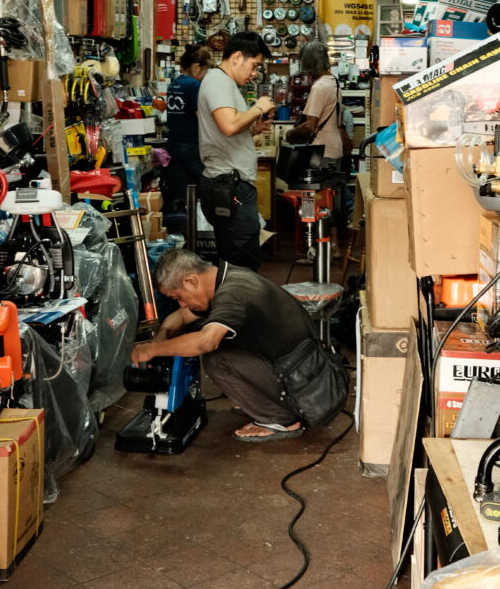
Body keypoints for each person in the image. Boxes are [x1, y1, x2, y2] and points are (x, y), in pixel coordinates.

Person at [130, 247, 316, 442]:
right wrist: (162, 336)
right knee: (216, 340)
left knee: (217, 358)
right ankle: (263, 400)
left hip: (304, 383)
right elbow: (180, 317)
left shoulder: (232, 293)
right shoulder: (225, 277)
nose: (182, 305)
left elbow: (206, 342)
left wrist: (150, 350)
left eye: (178, 297)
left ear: (191, 281)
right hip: (299, 368)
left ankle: (282, 420)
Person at [197, 31, 275, 271]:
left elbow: (227, 132)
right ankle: (238, 308)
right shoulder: (218, 81)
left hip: (232, 182)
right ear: (238, 57)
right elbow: (229, 126)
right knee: (242, 262)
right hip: (228, 183)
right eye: (254, 66)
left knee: (239, 255)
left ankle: (237, 306)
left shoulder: (224, 82)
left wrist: (253, 129)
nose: (254, 74)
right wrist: (257, 108)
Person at [286, 41, 348, 257]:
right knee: (332, 199)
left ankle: (313, 249)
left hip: (321, 151)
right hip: (335, 147)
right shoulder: (334, 82)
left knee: (314, 201)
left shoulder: (319, 87)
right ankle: (334, 246)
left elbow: (311, 125)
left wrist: (290, 135)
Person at [163, 44, 213, 208]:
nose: (205, 75)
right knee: (206, 188)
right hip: (191, 146)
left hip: (173, 145)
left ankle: (181, 230)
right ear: (197, 67)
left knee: (180, 193)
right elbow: (202, 117)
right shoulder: (194, 85)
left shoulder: (174, 84)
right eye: (205, 70)